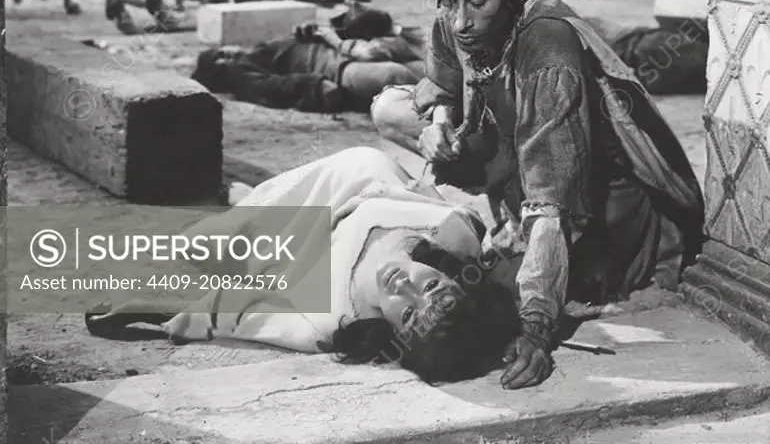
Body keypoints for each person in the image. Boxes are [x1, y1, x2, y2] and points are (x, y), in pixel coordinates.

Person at [371, 0, 704, 390]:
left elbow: (551, 202)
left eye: (480, 2)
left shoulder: (547, 49)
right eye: (450, 3)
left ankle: (536, 251)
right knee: (388, 110)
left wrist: (536, 328)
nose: (463, 21)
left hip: (597, 208)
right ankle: (510, 223)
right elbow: (439, 86)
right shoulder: (454, 21)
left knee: (516, 278)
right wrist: (439, 123)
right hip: (516, 163)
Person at [84, 146, 520, 385]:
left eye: (407, 313)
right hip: (349, 184)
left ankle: (246, 203)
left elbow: (239, 314)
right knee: (361, 161)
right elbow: (515, 274)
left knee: (193, 247)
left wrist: (150, 308)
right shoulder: (456, 238)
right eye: (430, 288)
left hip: (293, 251)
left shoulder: (325, 324)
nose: (403, 283)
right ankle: (249, 199)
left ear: (396, 334)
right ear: (451, 279)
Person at [193, 18, 425, 112]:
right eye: (223, 53)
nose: (231, 49)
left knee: (425, 69)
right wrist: (316, 86)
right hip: (338, 71)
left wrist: (309, 29)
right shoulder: (242, 71)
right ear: (223, 64)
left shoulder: (263, 50)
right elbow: (275, 87)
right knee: (395, 76)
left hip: (346, 52)